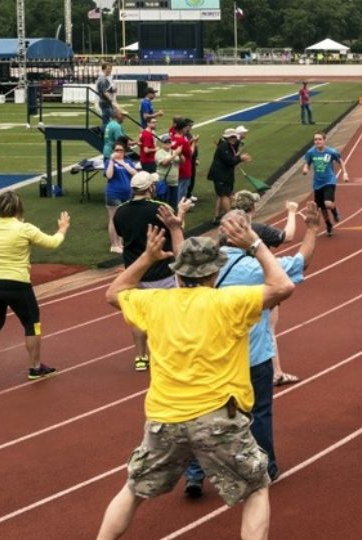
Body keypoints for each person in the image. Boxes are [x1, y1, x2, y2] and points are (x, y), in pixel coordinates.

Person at [96, 215, 295, 540]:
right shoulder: (230, 301)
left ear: (178, 275)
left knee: (134, 488)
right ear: (214, 273)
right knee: (257, 488)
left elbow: (113, 292)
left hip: (164, 419)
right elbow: (283, 286)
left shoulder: (154, 303)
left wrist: (146, 257)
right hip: (219, 420)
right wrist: (255, 245)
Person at [183, 203, 319, 494]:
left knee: (205, 411)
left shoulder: (206, 266)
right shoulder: (256, 267)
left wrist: (175, 227)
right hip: (253, 354)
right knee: (258, 412)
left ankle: (195, 473)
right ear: (247, 233)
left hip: (212, 354)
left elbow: (182, 267)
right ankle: (265, 466)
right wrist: (313, 229)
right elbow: (299, 263)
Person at [0, 192, 70, 383]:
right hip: (16, 283)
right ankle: (35, 367)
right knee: (31, 323)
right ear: (19, 208)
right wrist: (62, 229)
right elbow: (52, 243)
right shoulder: (25, 228)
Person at [113, 172, 190, 372]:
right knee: (168, 315)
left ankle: (141, 357)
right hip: (161, 271)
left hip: (135, 272)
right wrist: (182, 213)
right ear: (150, 188)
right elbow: (177, 228)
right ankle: (167, 354)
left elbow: (121, 235)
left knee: (138, 315)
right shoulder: (161, 208)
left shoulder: (120, 211)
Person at [230, 192, 301, 386]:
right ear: (253, 208)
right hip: (259, 282)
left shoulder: (224, 230)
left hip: (232, 283)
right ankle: (276, 372)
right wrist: (292, 212)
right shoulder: (256, 229)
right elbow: (288, 236)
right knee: (267, 328)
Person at [302, 132, 349, 237]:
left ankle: (334, 210)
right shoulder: (311, 152)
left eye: (319, 139)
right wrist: (305, 168)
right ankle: (328, 224)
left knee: (328, 203)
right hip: (317, 183)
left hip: (329, 181)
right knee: (322, 208)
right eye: (315, 140)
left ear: (324, 140)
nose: (317, 141)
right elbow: (307, 163)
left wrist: (345, 173)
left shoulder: (331, 152)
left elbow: (340, 161)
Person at [208, 128, 252, 223]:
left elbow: (234, 155)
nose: (233, 138)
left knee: (223, 194)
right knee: (224, 194)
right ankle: (231, 217)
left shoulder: (229, 144)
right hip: (220, 174)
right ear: (226, 137)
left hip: (226, 173)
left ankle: (217, 216)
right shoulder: (223, 146)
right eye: (231, 137)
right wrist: (241, 158)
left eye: (234, 137)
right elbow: (230, 161)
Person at [105, 142, 137, 254]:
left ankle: (121, 243)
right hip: (114, 193)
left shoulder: (127, 162)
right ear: (113, 152)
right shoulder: (109, 162)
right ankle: (114, 245)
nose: (119, 153)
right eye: (117, 150)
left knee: (124, 219)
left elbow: (135, 173)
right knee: (114, 219)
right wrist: (111, 161)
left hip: (127, 194)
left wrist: (124, 164)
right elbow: (109, 175)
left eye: (121, 150)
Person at [172, 118, 197, 208]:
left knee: (178, 188)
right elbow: (190, 153)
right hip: (185, 168)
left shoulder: (173, 138)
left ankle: (179, 205)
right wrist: (194, 143)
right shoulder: (183, 140)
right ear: (182, 128)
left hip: (177, 167)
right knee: (182, 190)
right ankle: (180, 208)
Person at [156, 134, 183, 210]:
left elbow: (182, 161)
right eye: (166, 142)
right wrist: (175, 154)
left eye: (169, 142)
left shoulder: (174, 152)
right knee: (164, 205)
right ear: (162, 143)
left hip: (174, 183)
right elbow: (164, 162)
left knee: (173, 205)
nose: (168, 143)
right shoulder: (159, 153)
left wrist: (180, 154)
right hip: (164, 183)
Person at [96, 63, 117, 129]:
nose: (110, 70)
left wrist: (113, 90)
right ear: (103, 70)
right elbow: (105, 92)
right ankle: (102, 133)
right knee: (107, 121)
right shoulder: (103, 79)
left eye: (110, 69)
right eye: (108, 69)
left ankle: (104, 133)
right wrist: (112, 101)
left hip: (107, 102)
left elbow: (109, 90)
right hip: (105, 102)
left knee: (107, 120)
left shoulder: (107, 78)